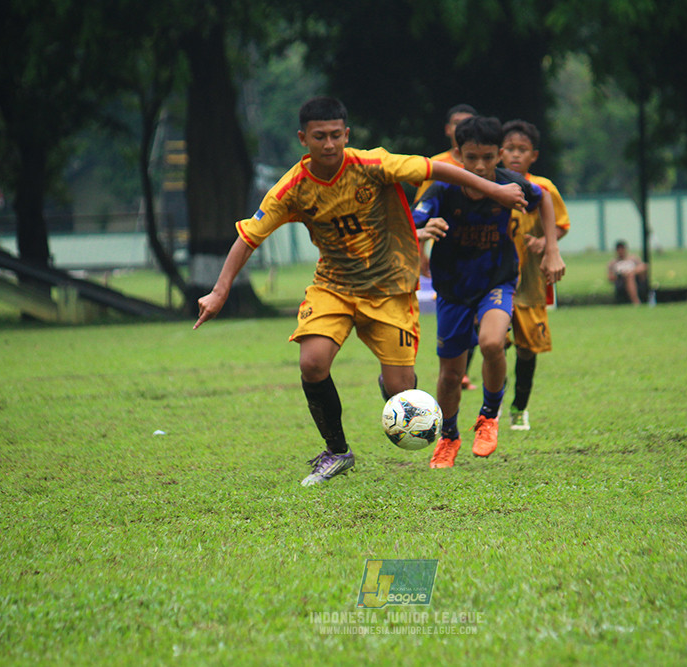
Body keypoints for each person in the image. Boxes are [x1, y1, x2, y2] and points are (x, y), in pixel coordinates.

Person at [194, 97, 529, 486]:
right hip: (333, 287)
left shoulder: (374, 165)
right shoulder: (292, 188)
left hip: (390, 290)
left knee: (400, 393)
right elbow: (248, 237)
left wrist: (495, 190)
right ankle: (337, 451)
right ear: (304, 138)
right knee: (312, 362)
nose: (329, 144)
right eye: (319, 136)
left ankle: (393, 385)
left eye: (336, 135)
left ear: (346, 135)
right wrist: (219, 292)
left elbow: (438, 168)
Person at [412, 115, 565, 468]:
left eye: (487, 157)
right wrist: (422, 233)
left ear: (498, 155)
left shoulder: (512, 183)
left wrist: (552, 250)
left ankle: (488, 417)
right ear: (458, 156)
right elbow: (412, 219)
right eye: (471, 158)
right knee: (450, 374)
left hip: (497, 281)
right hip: (452, 289)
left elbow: (542, 199)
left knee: (493, 342)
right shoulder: (443, 188)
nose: (479, 166)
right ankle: (449, 436)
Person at [500, 119, 570, 431]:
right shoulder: (491, 185)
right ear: (500, 152)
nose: (515, 155)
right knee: (494, 341)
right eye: (510, 149)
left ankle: (520, 406)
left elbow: (560, 224)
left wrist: (546, 241)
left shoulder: (544, 188)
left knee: (527, 349)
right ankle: (494, 404)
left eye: (522, 150)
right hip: (496, 279)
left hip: (530, 280)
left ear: (533, 155)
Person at [415, 104, 479, 390]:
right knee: (458, 312)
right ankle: (458, 368)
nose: (462, 128)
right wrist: (421, 253)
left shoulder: (485, 165)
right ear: (448, 129)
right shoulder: (436, 166)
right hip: (447, 255)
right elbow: (421, 214)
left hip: (482, 254)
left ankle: (464, 369)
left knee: (484, 320)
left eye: (468, 123)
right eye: (457, 123)